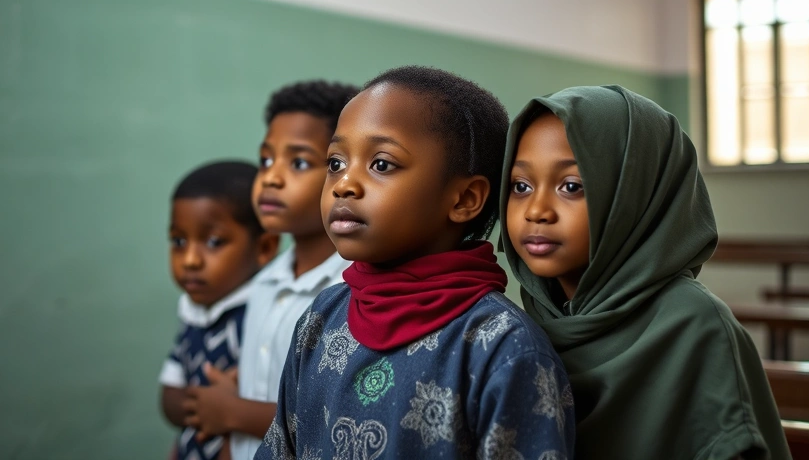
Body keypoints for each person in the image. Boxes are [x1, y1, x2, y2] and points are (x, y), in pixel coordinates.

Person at [256, 66, 575, 459]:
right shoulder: (321, 317)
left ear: (463, 200)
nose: (343, 184)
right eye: (336, 162)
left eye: (382, 164)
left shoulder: (504, 347)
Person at [499, 85, 791, 460]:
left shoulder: (695, 327)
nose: (536, 210)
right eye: (520, 186)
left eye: (571, 186)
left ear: (635, 196)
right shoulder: (522, 324)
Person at [182, 81, 359, 460]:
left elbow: (338, 419)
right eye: (266, 160)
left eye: (298, 163)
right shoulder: (265, 280)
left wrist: (233, 413)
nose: (272, 177)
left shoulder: (350, 290)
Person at [159, 160, 280, 460]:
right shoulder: (193, 311)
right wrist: (201, 406)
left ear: (264, 248)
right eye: (178, 241)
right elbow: (170, 394)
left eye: (213, 242)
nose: (190, 260)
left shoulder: (265, 317)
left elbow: (295, 418)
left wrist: (231, 410)